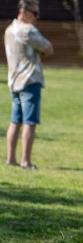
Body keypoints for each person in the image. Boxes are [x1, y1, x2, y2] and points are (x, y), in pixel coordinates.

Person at [5, 0, 53, 170]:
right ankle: (26, 161)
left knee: (14, 121)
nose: (37, 17)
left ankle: (10, 159)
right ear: (24, 11)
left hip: (14, 81)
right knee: (29, 122)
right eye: (35, 13)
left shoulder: (9, 30)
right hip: (30, 80)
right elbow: (48, 48)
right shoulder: (28, 31)